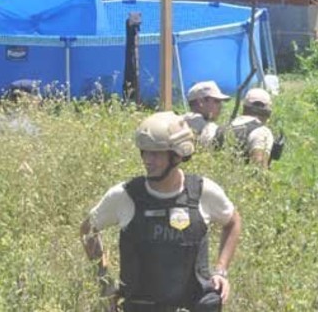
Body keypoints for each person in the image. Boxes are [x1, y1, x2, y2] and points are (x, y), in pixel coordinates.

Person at [81, 112, 242, 311]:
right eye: (144, 152)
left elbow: (233, 222)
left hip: (193, 304)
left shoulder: (202, 192)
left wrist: (221, 271)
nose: (148, 160)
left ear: (177, 154)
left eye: (156, 153)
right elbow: (87, 230)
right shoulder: (125, 196)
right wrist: (104, 281)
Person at [220, 89, 278, 169]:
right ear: (267, 112)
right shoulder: (262, 132)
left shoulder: (224, 127)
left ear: (244, 107)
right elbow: (259, 166)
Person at [182, 81, 229, 150]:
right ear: (200, 102)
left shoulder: (178, 123)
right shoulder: (208, 127)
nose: (220, 106)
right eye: (217, 101)